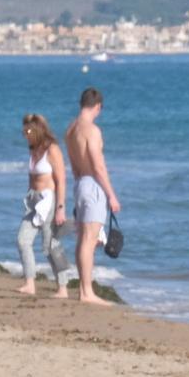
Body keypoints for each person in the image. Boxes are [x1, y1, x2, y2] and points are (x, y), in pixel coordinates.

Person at [64, 87, 118, 305]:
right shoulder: (92, 130)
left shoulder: (70, 130)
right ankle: (87, 292)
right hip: (93, 184)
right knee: (90, 239)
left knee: (83, 240)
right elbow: (98, 165)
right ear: (97, 106)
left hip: (79, 184)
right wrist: (111, 195)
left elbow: (74, 164)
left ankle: (83, 290)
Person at [16, 114, 70, 297]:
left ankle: (62, 287)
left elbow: (61, 180)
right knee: (23, 240)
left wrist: (61, 208)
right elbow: (31, 177)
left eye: (28, 130)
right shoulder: (33, 148)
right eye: (24, 131)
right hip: (33, 201)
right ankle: (29, 283)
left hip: (49, 201)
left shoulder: (52, 149)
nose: (25, 134)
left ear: (37, 130)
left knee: (51, 245)